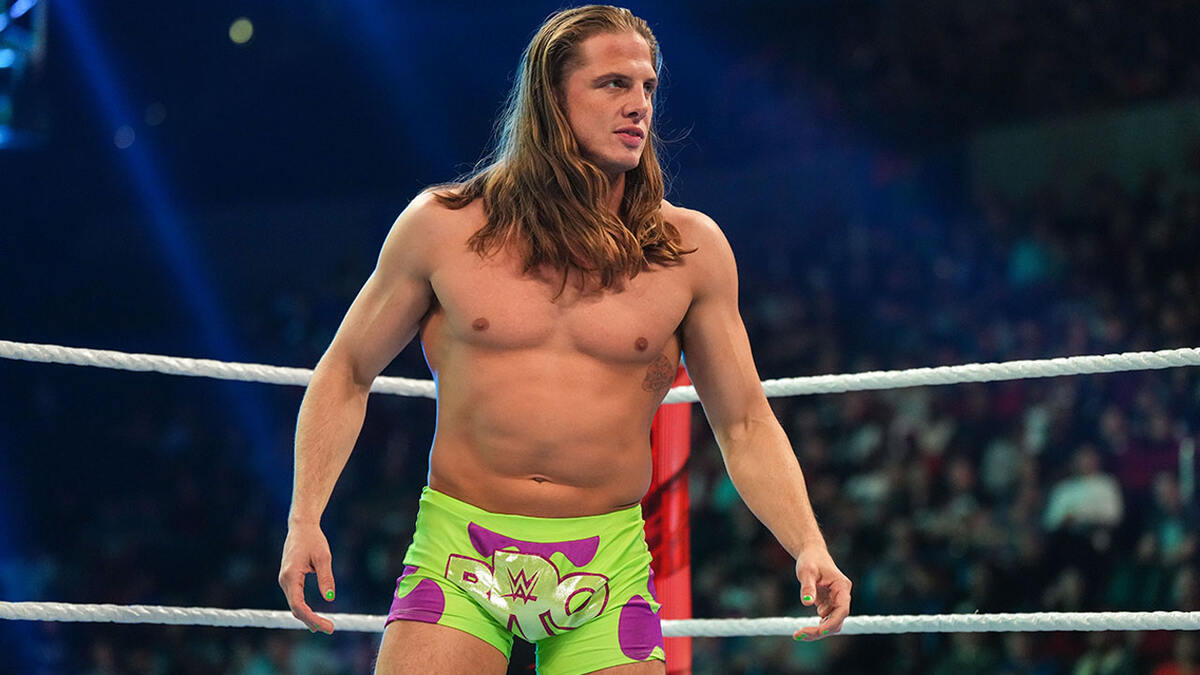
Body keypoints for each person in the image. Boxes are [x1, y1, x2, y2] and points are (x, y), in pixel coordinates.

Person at [278, 5, 851, 673]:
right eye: (613, 84)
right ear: (552, 99)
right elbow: (347, 369)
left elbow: (745, 421)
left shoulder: (688, 250)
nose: (638, 105)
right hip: (459, 552)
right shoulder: (443, 226)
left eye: (647, 87)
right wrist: (304, 516)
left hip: (606, 566)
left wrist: (807, 542)